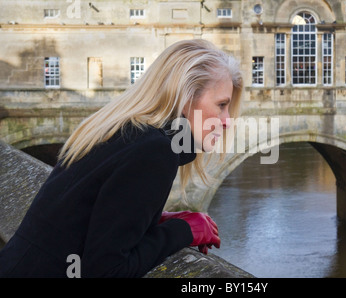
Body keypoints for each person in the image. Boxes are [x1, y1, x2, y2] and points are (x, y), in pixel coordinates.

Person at [0, 39, 243, 278]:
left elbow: (89, 212)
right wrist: (183, 231)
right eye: (221, 105)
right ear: (186, 97)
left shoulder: (122, 130)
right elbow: (107, 269)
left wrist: (152, 219)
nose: (227, 120)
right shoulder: (155, 152)